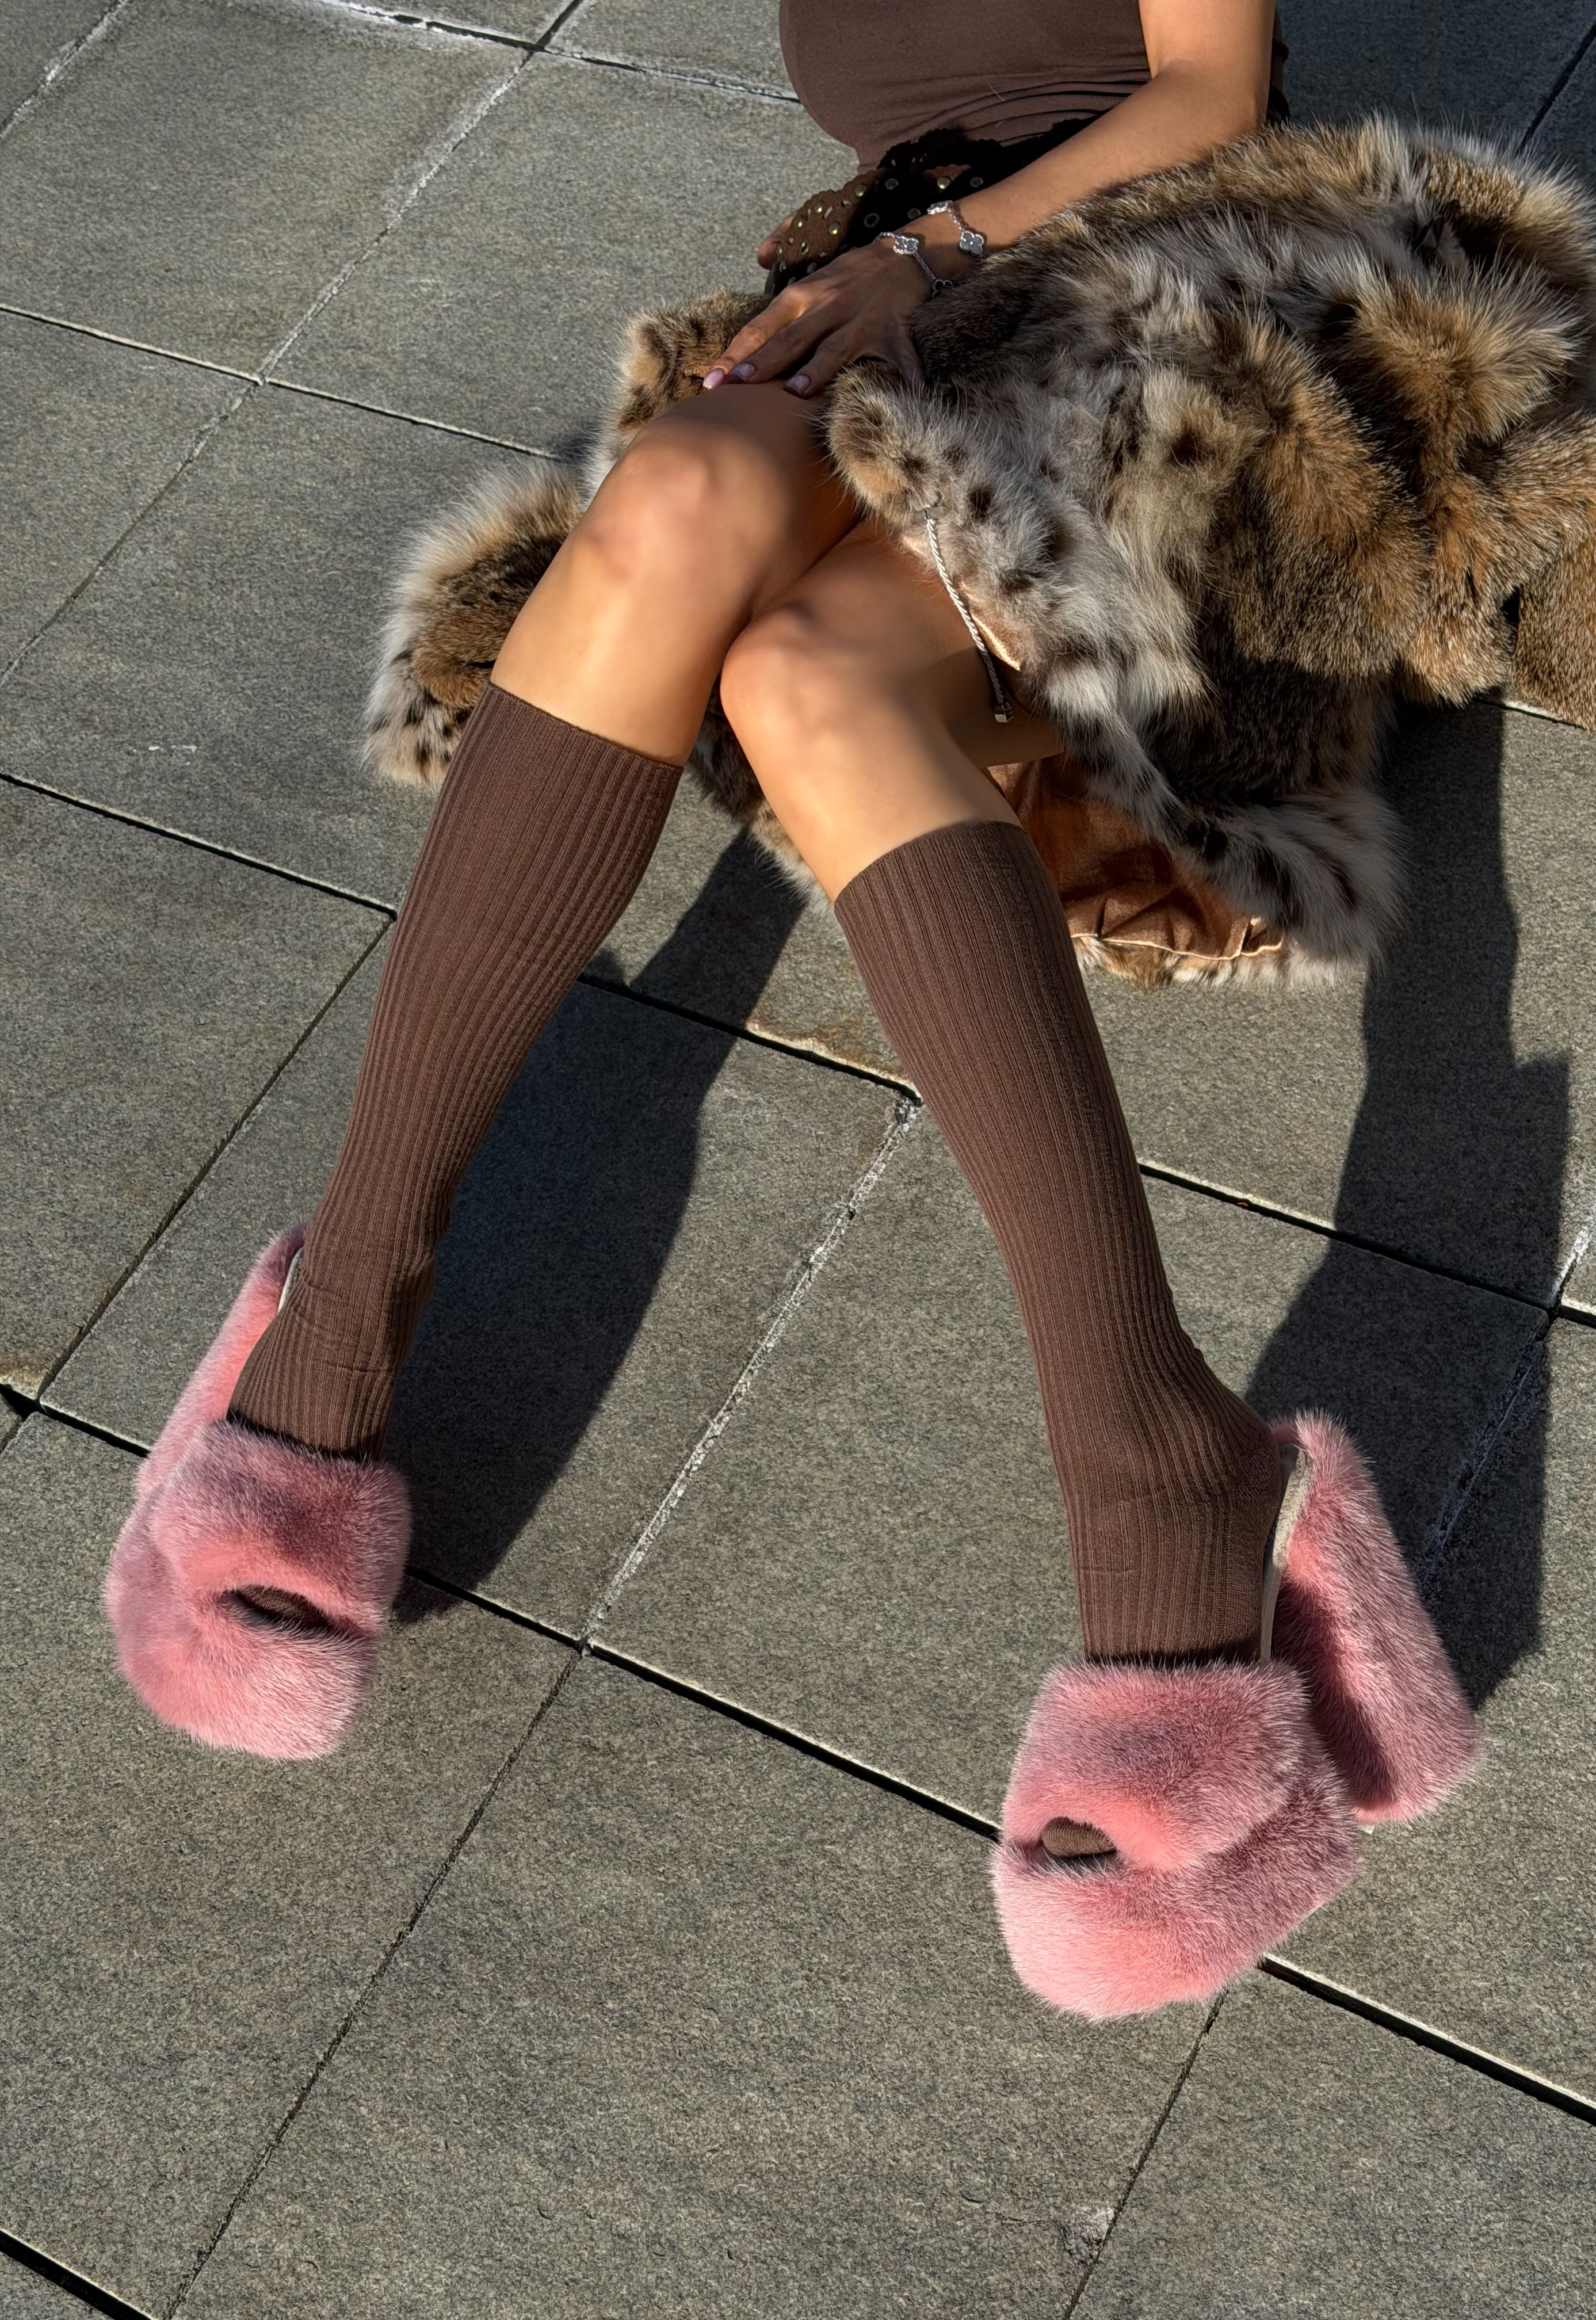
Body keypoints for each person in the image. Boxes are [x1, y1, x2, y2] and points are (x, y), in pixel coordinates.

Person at [107, 2, 1479, 2015]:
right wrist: (905, 259)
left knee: (803, 683)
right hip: (920, 287)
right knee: (668, 513)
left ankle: (1158, 1454)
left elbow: (1208, 90)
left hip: (1201, 289)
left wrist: (922, 255)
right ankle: (350, 1298)